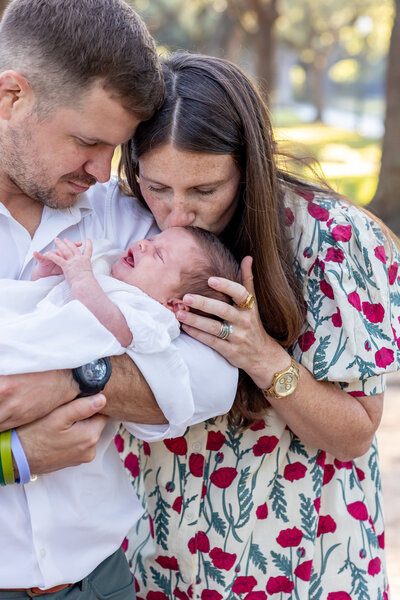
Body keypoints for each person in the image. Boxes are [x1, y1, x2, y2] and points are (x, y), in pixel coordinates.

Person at [116, 52, 400, 599]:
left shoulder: (333, 240)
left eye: (204, 191)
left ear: (250, 167)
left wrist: (262, 356)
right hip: (159, 561)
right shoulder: (126, 219)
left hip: (300, 566)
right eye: (157, 187)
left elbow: (356, 432)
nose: (175, 216)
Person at [0, 2, 237, 597]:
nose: (102, 171)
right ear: (11, 97)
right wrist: (16, 456)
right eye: (87, 140)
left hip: (103, 580)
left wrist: (75, 379)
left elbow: (211, 379)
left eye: (116, 148)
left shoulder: (126, 226)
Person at [0, 227, 239, 381]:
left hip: (36, 354)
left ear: (175, 305)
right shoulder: (106, 264)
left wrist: (82, 278)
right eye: (151, 238)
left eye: (158, 255)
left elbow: (119, 330)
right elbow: (40, 300)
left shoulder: (154, 315)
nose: (143, 245)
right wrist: (47, 276)